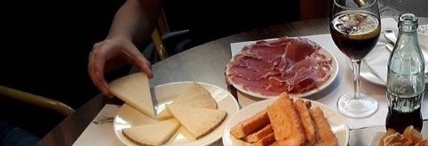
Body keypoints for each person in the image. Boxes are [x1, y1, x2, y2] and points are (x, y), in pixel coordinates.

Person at [88, 0, 329, 97]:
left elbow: (310, 26)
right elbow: (142, 6)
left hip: (295, 73)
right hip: (207, 74)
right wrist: (119, 36)